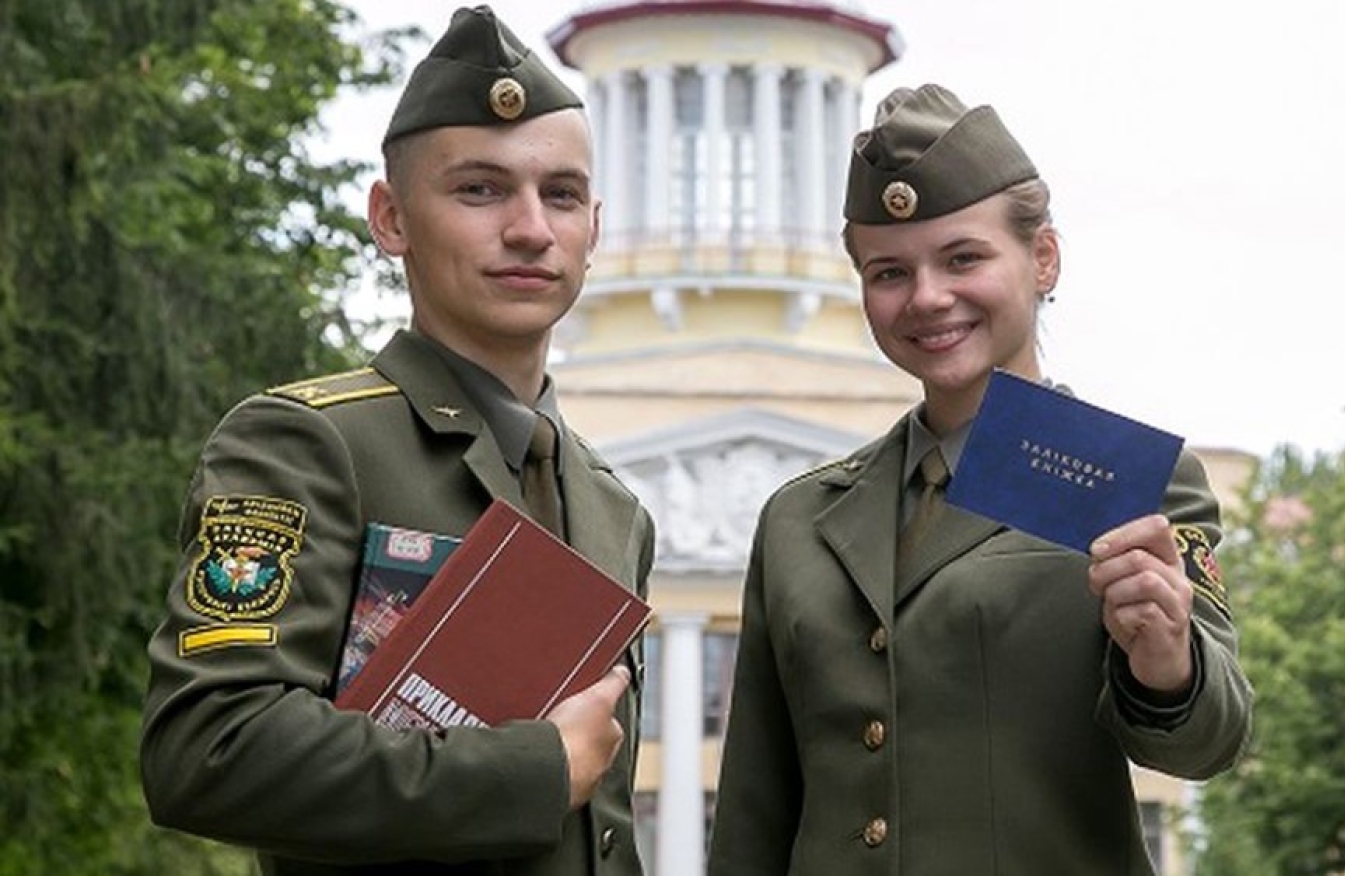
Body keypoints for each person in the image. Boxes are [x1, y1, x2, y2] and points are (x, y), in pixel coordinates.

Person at [140, 7, 653, 874]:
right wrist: (532, 771)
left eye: (560, 194)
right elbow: (208, 748)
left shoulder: (612, 508)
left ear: (592, 230)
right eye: (480, 190)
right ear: (390, 219)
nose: (531, 227)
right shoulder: (304, 446)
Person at [706, 83, 1253, 875]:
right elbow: (755, 813)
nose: (928, 297)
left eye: (963, 257)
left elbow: (1212, 741)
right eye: (889, 272)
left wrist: (1167, 661)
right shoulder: (800, 519)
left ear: (1043, 259)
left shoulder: (1133, 481)